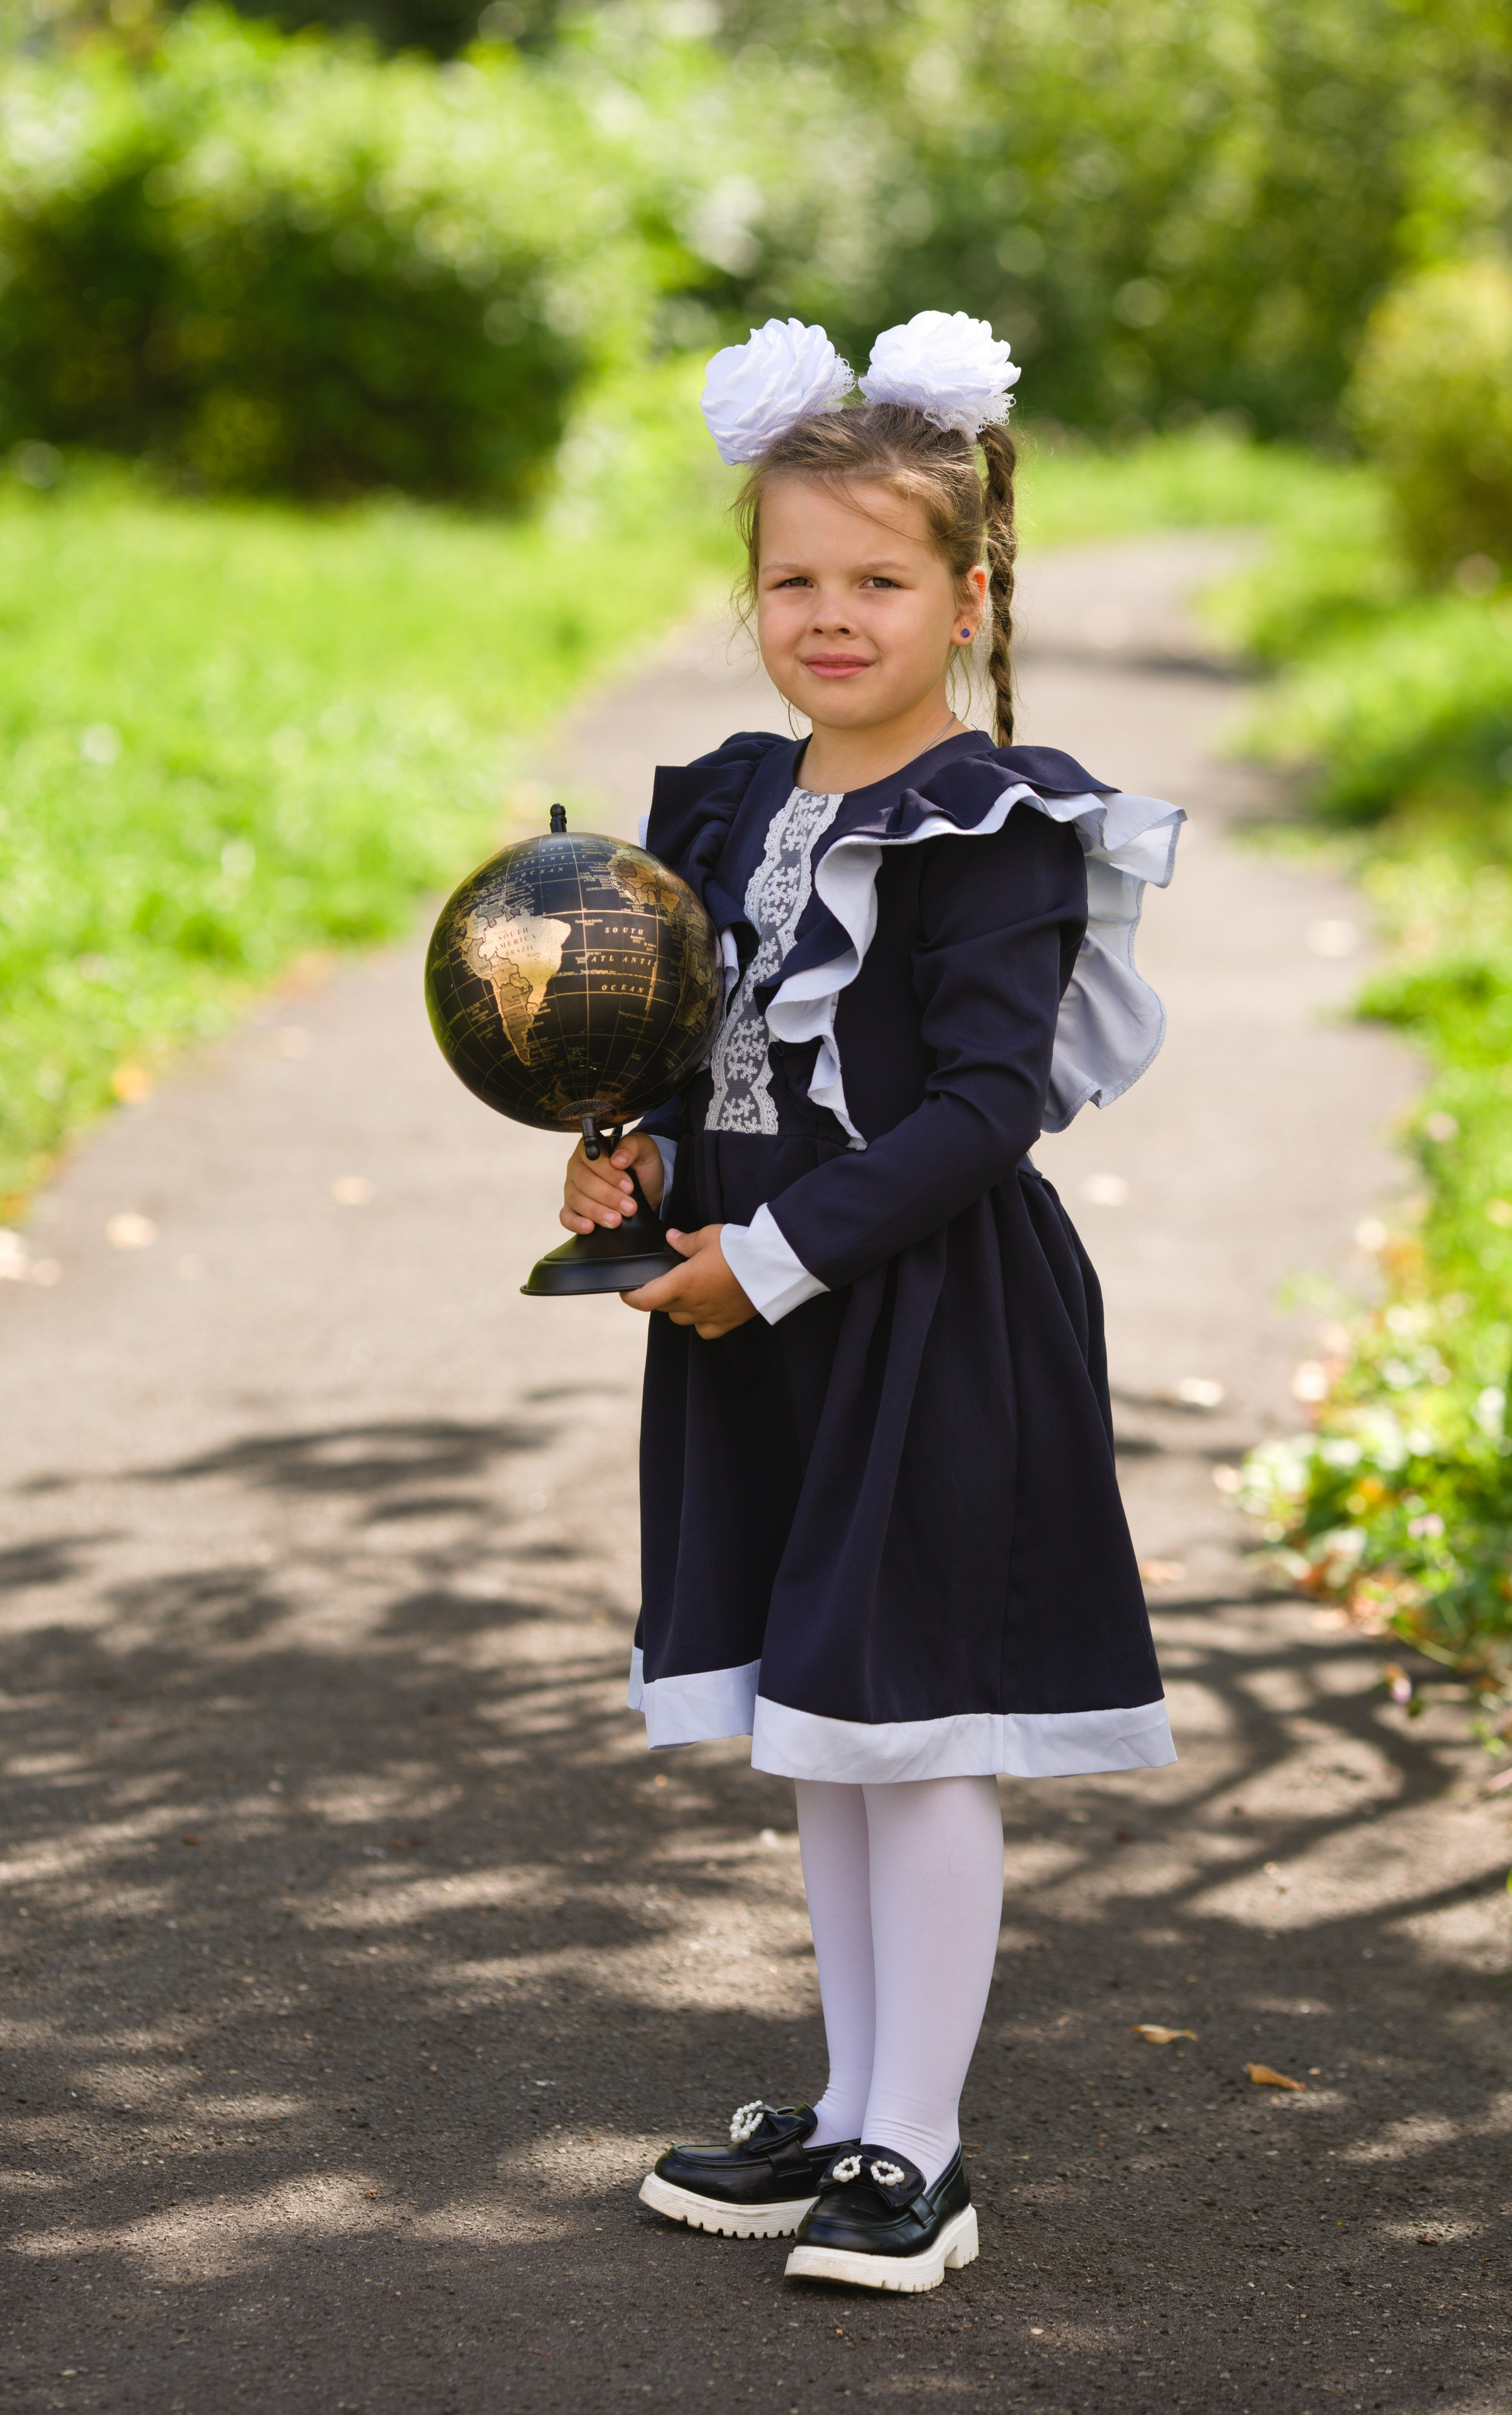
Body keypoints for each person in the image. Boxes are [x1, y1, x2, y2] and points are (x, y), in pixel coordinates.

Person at [558, 313, 1183, 2295]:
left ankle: (922, 2149)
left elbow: (987, 1107)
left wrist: (767, 1258)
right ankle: (847, 2105)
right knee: (819, 1723)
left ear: (967, 595)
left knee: (918, 1729)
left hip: (923, 1321)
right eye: (794, 581)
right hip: (759, 1324)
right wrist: (638, 1166)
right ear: (751, 591)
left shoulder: (999, 824)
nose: (831, 618)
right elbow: (702, 1058)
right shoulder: (733, 806)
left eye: (880, 582)